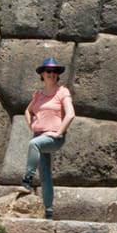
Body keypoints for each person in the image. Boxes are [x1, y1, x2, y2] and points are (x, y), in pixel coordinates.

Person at [21, 57, 73, 218]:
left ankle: (27, 181)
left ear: (57, 75)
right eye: (48, 71)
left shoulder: (62, 92)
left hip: (53, 138)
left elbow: (70, 114)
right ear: (42, 74)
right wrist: (32, 125)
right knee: (45, 177)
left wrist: (58, 133)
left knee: (34, 144)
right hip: (39, 135)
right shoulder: (38, 95)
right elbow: (27, 111)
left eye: (54, 71)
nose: (51, 74)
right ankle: (49, 212)